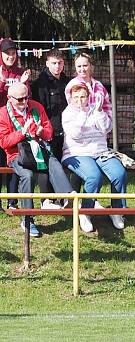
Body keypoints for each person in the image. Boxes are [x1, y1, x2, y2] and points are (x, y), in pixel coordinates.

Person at [0, 81, 74, 238]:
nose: (24, 102)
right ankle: (27, 219)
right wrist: (22, 132)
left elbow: (49, 132)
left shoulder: (36, 107)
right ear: (9, 98)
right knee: (27, 175)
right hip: (16, 155)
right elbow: (4, 142)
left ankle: (67, 199)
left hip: (39, 150)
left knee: (53, 161)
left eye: (26, 98)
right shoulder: (2, 114)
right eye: (19, 99)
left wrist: (41, 131)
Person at [61, 82, 127, 233]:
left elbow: (107, 128)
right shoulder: (68, 113)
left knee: (119, 173)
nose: (79, 101)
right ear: (70, 98)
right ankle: (85, 212)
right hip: (76, 153)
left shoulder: (95, 109)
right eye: (76, 97)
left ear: (88, 97)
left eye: (83, 97)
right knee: (93, 176)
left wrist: (98, 112)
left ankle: (117, 211)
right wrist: (83, 115)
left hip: (100, 151)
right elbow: (75, 134)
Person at [0, 38, 30, 208]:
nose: (10, 56)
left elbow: (27, 97)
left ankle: (12, 201)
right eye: (7, 53)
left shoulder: (20, 72)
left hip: (16, 125)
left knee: (15, 162)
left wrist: (25, 83)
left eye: (13, 53)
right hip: (1, 123)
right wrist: (2, 81)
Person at [31, 48, 69, 161]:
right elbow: (39, 111)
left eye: (60, 63)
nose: (57, 66)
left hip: (67, 131)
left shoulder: (67, 82)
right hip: (50, 134)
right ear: (47, 63)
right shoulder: (40, 85)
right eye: (54, 63)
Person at [65, 52, 112, 119]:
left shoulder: (99, 86)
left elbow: (107, 107)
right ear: (75, 67)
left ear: (90, 66)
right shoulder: (71, 86)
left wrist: (107, 123)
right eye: (79, 66)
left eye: (85, 65)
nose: (82, 69)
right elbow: (73, 110)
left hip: (100, 126)